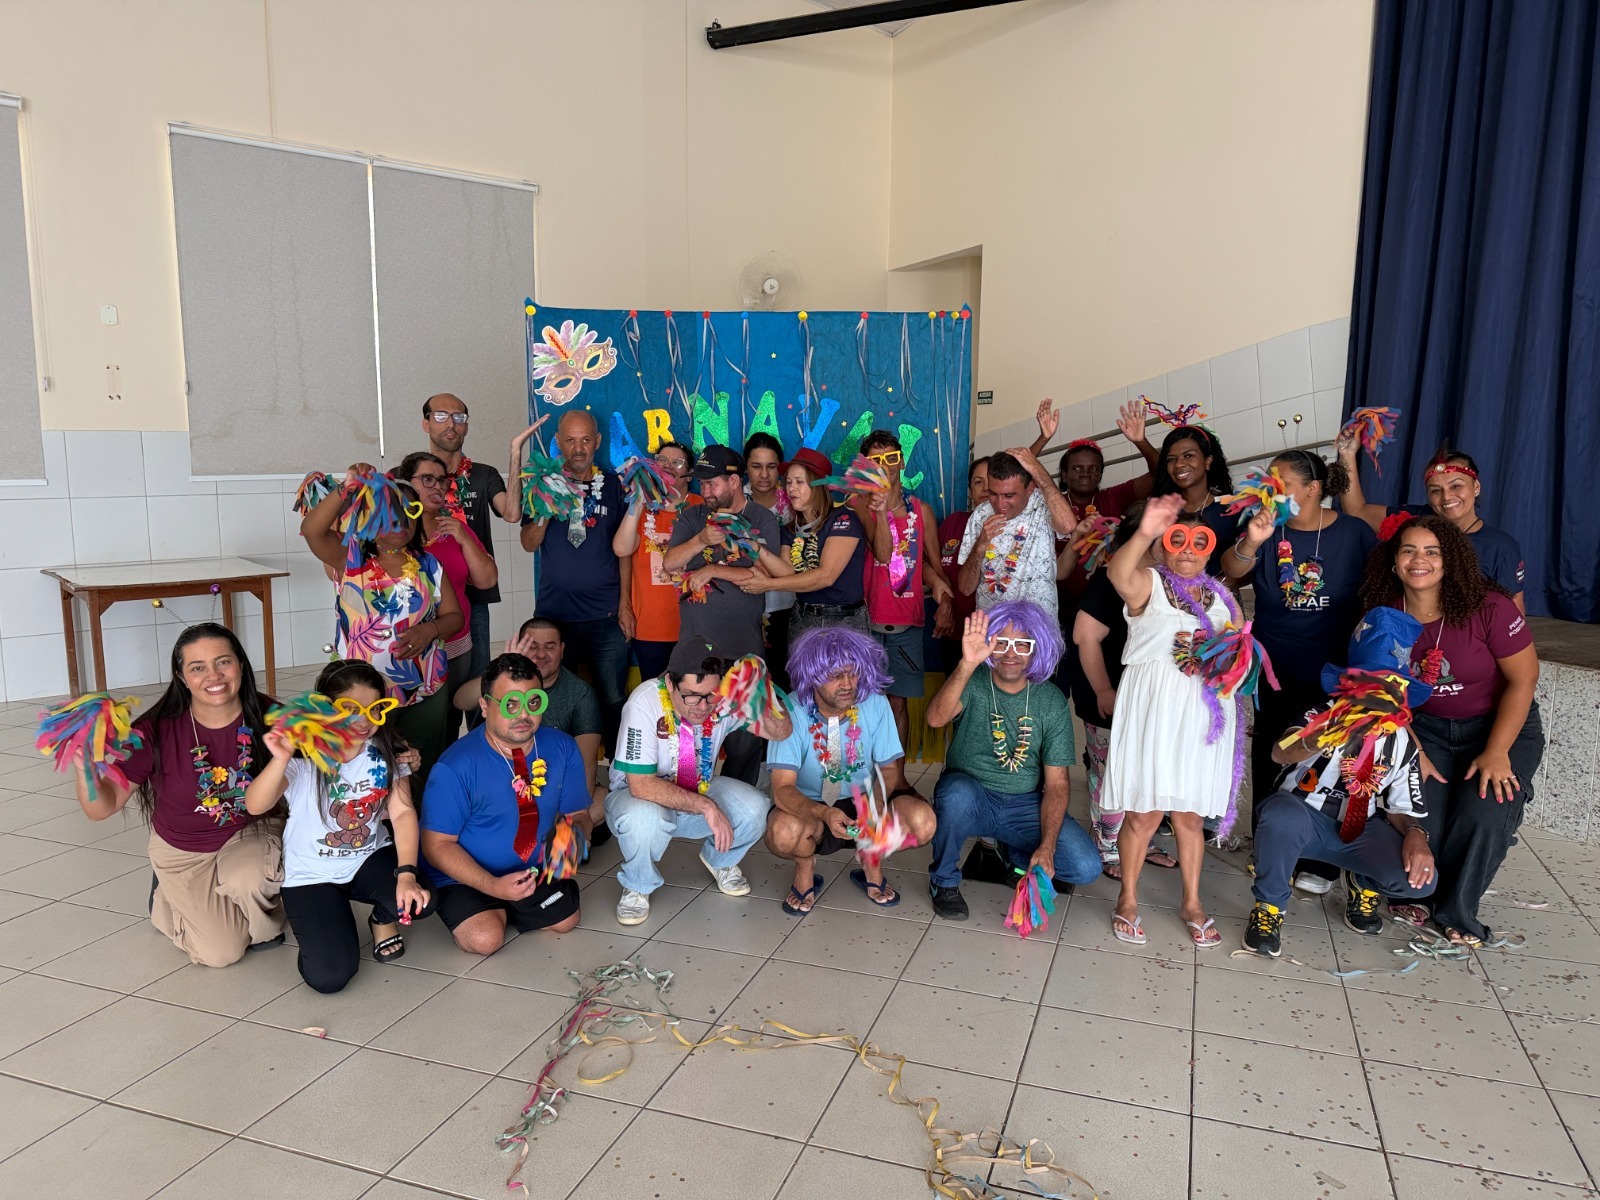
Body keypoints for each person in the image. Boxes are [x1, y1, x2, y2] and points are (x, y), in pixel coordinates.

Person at [1357, 514, 1543, 946]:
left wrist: (1496, 751)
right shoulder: (1382, 615)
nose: (1419, 560)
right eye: (1408, 550)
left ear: (1450, 560)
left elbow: (1524, 680)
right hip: (1424, 729)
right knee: (1420, 817)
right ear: (1394, 561)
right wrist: (1414, 750)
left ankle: (1457, 910)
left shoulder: (1489, 606)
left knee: (1484, 811)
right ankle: (1419, 893)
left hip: (1497, 726)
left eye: (1432, 551)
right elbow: (1384, 695)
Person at [70, 624, 284, 966]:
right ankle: (166, 900)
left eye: (223, 662)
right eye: (198, 667)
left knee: (249, 882)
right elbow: (101, 809)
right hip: (184, 849)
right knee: (220, 953)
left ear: (241, 666)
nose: (213, 675)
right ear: (182, 677)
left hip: (251, 831)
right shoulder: (154, 730)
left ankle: (257, 921)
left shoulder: (273, 717)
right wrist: (85, 770)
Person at [1221, 448, 1375, 892]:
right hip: (1275, 670)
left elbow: (1378, 590)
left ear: (1313, 488)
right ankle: (1269, 848)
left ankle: (1320, 859)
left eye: (1282, 482)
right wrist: (1253, 540)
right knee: (1272, 755)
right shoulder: (1268, 527)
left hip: (1336, 673)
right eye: (1268, 480)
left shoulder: (1354, 533)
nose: (1271, 489)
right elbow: (1231, 570)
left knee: (1328, 760)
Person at [1244, 611, 1438, 957]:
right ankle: (1269, 908)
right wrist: (1327, 732)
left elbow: (1403, 808)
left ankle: (1362, 881)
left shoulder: (1401, 740)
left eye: (1390, 685)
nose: (1378, 694)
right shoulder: (1323, 713)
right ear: (1352, 681)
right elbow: (1279, 751)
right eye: (1370, 682)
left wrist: (1416, 835)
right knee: (1279, 816)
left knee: (1419, 879)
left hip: (1361, 829)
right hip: (1304, 818)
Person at [1100, 496, 1247, 949]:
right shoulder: (1148, 583)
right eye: (1176, 539)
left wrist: (1226, 661)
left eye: (1199, 542)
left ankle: (1192, 902)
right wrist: (1146, 528)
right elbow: (1117, 574)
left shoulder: (1223, 597)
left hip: (1203, 714)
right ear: (1162, 546)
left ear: (1210, 547)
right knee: (1143, 814)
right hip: (1154, 712)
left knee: (1189, 814)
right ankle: (1127, 899)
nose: (1187, 550)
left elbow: (1238, 653)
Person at [244, 659, 433, 990]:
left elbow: (402, 813)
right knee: (329, 977)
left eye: (374, 710)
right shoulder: (304, 755)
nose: (363, 721)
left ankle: (381, 919)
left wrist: (406, 875)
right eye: (350, 709)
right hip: (311, 875)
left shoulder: (387, 751)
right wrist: (281, 757)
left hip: (367, 858)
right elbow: (255, 804)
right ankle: (327, 923)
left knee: (422, 899)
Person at [924, 601, 1099, 921]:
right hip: (972, 796)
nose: (1010, 652)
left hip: (1024, 804)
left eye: (1022, 644)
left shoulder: (1051, 701)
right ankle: (943, 881)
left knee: (1085, 867)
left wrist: (1047, 847)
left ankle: (1014, 853)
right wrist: (966, 664)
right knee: (956, 793)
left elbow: (1057, 783)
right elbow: (935, 719)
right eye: (1001, 642)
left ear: (1037, 649)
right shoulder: (973, 680)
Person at [603, 638, 792, 926]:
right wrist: (708, 807)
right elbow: (641, 785)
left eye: (710, 695)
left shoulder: (723, 698)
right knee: (642, 818)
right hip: (636, 796)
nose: (702, 707)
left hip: (698, 784)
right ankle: (638, 884)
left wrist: (763, 696)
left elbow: (780, 733)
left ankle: (721, 860)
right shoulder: (644, 702)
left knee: (756, 808)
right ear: (670, 683)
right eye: (691, 696)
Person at [300, 465, 463, 793]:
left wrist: (430, 630)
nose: (401, 520)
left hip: (424, 688)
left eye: (409, 511)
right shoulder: (350, 559)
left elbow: (454, 617)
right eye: (389, 512)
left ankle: (422, 816)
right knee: (366, 763)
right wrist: (347, 488)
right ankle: (372, 818)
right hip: (361, 694)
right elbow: (312, 531)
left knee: (421, 764)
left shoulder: (429, 565)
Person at [419, 654, 593, 955]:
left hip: (532, 869)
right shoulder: (455, 766)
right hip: (464, 876)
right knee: (485, 939)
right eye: (510, 704)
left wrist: (572, 837)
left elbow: (578, 814)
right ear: (485, 706)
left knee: (567, 920)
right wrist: (492, 886)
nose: (523, 714)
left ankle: (511, 905)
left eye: (533, 702)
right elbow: (436, 846)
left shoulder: (563, 747)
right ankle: (494, 907)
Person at [763, 627, 936, 914]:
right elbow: (782, 789)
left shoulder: (875, 703)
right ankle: (805, 866)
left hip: (865, 799)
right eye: (835, 676)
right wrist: (823, 813)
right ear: (812, 676)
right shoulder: (790, 710)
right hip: (812, 807)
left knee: (923, 822)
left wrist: (875, 805)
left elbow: (889, 769)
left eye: (853, 673)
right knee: (783, 833)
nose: (847, 684)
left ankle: (871, 857)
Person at [662, 445, 787, 785]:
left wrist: (714, 569)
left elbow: (766, 577)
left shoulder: (761, 519)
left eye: (712, 483)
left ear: (734, 482)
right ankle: (690, 797)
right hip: (694, 650)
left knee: (744, 741)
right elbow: (671, 563)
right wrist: (702, 539)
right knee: (690, 735)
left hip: (743, 649)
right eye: (701, 484)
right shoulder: (693, 517)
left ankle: (738, 799)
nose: (705, 491)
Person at [1066, 501, 1176, 878]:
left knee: (1142, 773)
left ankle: (1136, 839)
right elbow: (1085, 636)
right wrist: (1103, 690)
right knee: (1109, 774)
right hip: (1109, 695)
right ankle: (1108, 846)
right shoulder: (1110, 579)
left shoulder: (1167, 579)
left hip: (1148, 699)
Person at [517, 410, 632, 741]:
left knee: (612, 697)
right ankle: (558, 761)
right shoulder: (542, 485)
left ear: (597, 442)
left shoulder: (614, 486)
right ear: (558, 442)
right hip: (555, 616)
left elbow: (624, 552)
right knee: (554, 697)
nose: (578, 449)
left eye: (585, 440)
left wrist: (625, 605)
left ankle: (615, 763)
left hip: (604, 615)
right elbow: (528, 543)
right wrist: (544, 508)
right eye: (570, 440)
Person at [854, 430, 954, 772]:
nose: (885, 466)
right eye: (876, 460)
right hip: (864, 622)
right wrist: (881, 509)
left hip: (906, 623)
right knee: (863, 704)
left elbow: (933, 566)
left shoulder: (921, 510)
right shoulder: (858, 505)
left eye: (891, 458)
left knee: (898, 704)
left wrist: (945, 598)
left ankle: (896, 780)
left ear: (902, 462)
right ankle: (863, 779)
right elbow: (883, 552)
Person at [1338, 440, 1526, 609]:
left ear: (1476, 487)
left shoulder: (1501, 547)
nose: (1447, 497)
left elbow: (1514, 617)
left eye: (1456, 486)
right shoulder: (1413, 521)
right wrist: (1347, 453)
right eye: (1436, 490)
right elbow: (1356, 511)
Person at [418, 393, 519, 700]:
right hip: (420, 596)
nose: (451, 424)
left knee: (476, 683)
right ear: (426, 424)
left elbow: (511, 513)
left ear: (466, 426)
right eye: (441, 416)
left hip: (473, 594)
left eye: (459, 418)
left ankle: (480, 731)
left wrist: (515, 454)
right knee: (424, 680)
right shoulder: (410, 476)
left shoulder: (483, 475)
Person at [394, 451, 499, 741]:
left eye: (442, 481)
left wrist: (464, 538)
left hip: (453, 645)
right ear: (407, 483)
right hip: (404, 648)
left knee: (446, 725)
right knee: (404, 726)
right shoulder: (391, 533)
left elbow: (487, 579)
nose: (438, 487)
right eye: (427, 479)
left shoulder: (454, 528)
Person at [737, 447, 867, 638]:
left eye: (799, 482)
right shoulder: (790, 529)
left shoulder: (843, 519)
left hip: (843, 620)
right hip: (802, 618)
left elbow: (826, 576)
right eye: (788, 482)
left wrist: (767, 584)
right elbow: (787, 571)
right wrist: (755, 546)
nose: (791, 488)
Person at [612, 440, 703, 680]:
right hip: (651, 627)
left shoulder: (702, 507)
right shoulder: (642, 508)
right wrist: (639, 500)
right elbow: (621, 549)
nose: (668, 466)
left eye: (677, 462)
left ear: (689, 474)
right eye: (662, 460)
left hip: (695, 626)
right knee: (655, 694)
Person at [957, 449, 1076, 618]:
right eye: (993, 493)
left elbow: (1068, 525)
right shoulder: (980, 515)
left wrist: (1036, 468)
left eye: (1009, 495)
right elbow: (965, 588)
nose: (1000, 504)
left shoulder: (1042, 504)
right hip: (993, 625)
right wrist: (979, 547)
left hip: (1037, 625)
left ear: (1030, 488)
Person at [743, 431, 796, 688]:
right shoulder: (735, 500)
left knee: (782, 679)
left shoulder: (794, 503)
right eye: (756, 466)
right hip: (743, 603)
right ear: (745, 468)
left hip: (785, 605)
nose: (764, 474)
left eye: (771, 466)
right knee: (748, 682)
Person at [1148, 424, 1235, 573]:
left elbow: (1245, 569)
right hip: (1167, 588)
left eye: (1188, 456)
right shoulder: (1159, 511)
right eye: (1171, 459)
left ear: (1207, 461)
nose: (1179, 464)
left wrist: (1211, 586)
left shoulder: (1231, 510)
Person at [935, 457, 988, 670]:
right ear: (970, 489)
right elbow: (927, 565)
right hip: (955, 633)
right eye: (978, 482)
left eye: (992, 480)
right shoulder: (954, 522)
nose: (986, 488)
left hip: (996, 638)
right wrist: (945, 599)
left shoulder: (1012, 529)